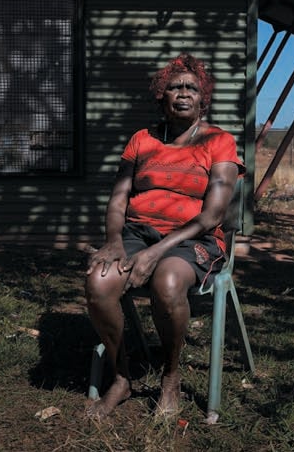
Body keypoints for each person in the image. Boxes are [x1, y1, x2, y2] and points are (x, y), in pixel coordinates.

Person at [84, 53, 244, 418]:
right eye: (174, 87)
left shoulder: (219, 142)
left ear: (203, 97)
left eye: (191, 87)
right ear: (163, 96)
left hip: (194, 238)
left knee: (167, 282)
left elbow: (213, 215)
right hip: (138, 231)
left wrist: (156, 253)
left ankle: (169, 378)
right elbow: (118, 198)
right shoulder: (142, 139)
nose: (183, 93)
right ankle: (122, 377)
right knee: (99, 280)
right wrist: (113, 241)